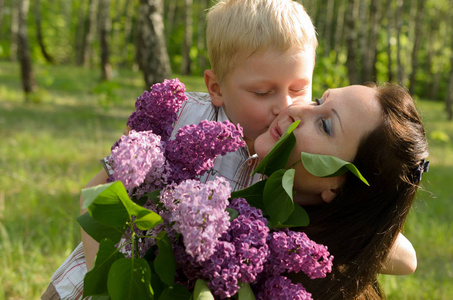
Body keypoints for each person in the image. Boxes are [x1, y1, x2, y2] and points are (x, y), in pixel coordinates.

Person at [42, 1, 414, 298]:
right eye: (262, 92)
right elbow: (97, 196)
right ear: (217, 87)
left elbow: (397, 252)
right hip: (94, 282)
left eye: (301, 89)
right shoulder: (183, 117)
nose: (285, 106)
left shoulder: (287, 172)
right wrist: (103, 282)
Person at [254, 83, 429, 299]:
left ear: (337, 185)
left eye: (325, 125)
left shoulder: (294, 279)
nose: (296, 109)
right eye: (318, 100)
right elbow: (405, 257)